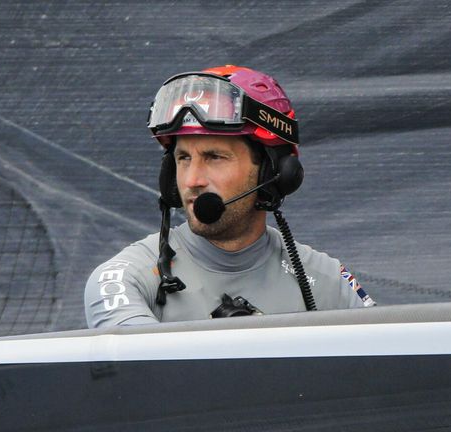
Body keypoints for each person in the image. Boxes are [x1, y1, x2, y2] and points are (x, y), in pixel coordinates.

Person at [85, 65, 374, 328]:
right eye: (183, 158)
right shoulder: (125, 278)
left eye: (214, 157)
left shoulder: (327, 280)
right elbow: (145, 367)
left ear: (275, 173)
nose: (192, 180)